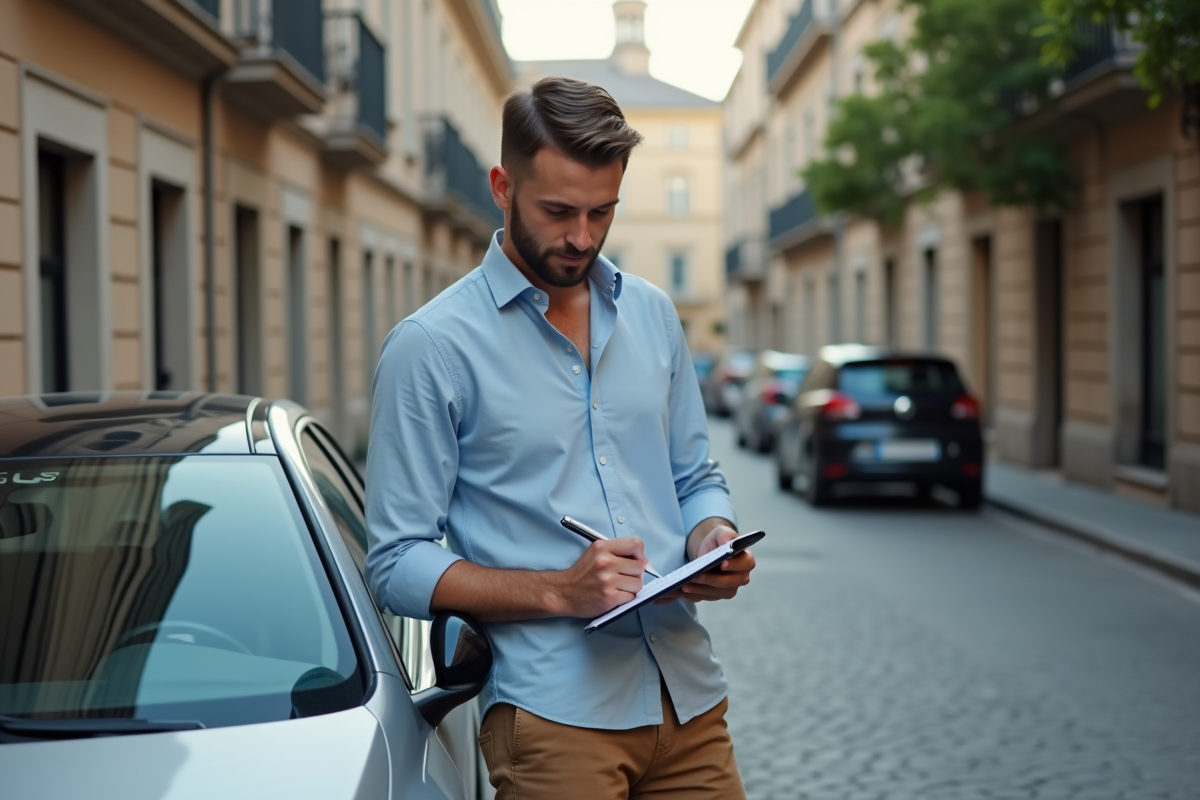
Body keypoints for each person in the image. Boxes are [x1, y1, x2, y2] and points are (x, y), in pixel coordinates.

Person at [365, 76, 754, 800]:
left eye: (601, 211)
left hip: (688, 697)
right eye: (558, 211)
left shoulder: (653, 314)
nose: (581, 236)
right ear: (502, 186)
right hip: (551, 719)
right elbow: (395, 561)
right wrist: (557, 592)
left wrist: (711, 539)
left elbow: (694, 475)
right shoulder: (430, 347)